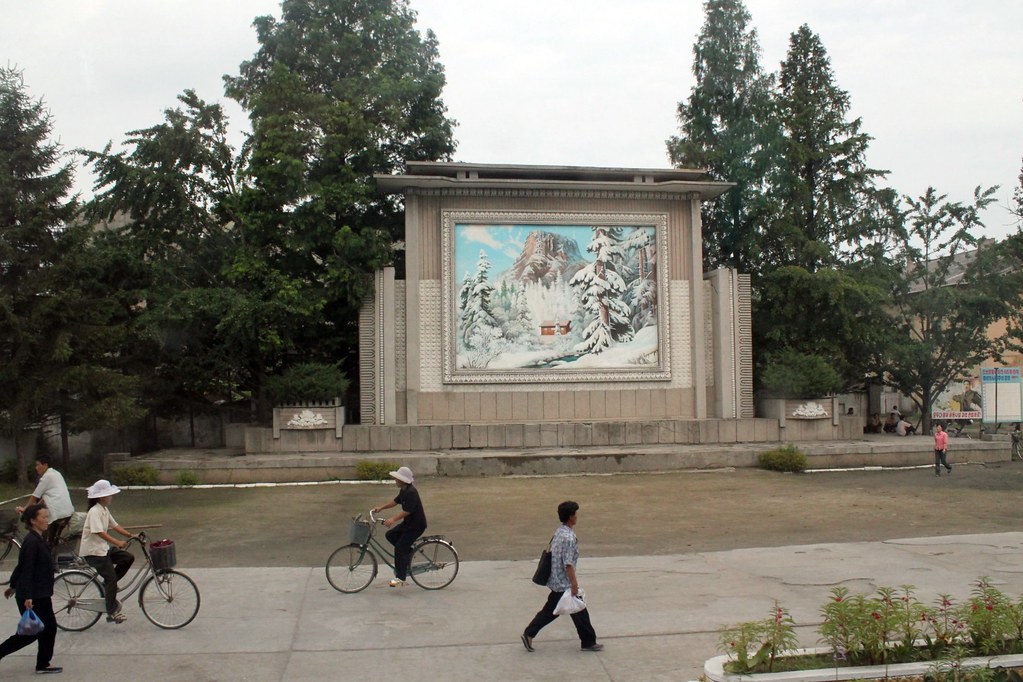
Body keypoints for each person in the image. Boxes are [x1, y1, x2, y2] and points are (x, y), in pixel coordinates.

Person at [521, 500, 602, 653]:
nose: (577, 516)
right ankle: (588, 642)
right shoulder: (569, 537)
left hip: (556, 580)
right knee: (577, 609)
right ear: (571, 517)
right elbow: (568, 563)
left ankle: (530, 633)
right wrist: (574, 584)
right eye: (575, 514)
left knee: (556, 611)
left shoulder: (559, 532)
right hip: (564, 582)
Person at [0, 504, 62, 674]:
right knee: (31, 633)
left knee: (48, 628)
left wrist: (12, 586)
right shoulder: (31, 541)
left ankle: (43, 664)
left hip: (39, 593)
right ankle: (41, 663)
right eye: (43, 517)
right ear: (33, 521)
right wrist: (26, 595)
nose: (47, 520)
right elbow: (26, 568)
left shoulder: (37, 538)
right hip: (33, 595)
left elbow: (21, 566)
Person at [79, 480, 136, 623]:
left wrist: (130, 535)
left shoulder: (104, 509)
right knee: (111, 579)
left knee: (127, 558)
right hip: (93, 552)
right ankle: (111, 612)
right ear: (101, 497)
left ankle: (108, 585)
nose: (111, 497)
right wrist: (118, 542)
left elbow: (115, 525)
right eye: (109, 495)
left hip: (102, 549)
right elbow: (99, 532)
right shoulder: (94, 511)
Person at [371, 466, 427, 588]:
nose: (395, 480)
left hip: (416, 525)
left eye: (397, 479)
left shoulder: (411, 492)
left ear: (403, 480)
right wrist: (381, 507)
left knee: (400, 547)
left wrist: (392, 519)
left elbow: (407, 511)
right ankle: (409, 553)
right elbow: (395, 502)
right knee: (390, 535)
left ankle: (401, 578)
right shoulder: (404, 490)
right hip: (408, 524)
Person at [15, 454, 74, 548]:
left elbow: (35, 495)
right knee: (51, 541)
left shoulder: (47, 477)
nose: (36, 468)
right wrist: (36, 507)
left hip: (58, 513)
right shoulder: (55, 473)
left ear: (45, 465)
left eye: (38, 465)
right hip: (67, 511)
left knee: (43, 538)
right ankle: (51, 555)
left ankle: (46, 557)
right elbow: (45, 497)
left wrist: (25, 509)